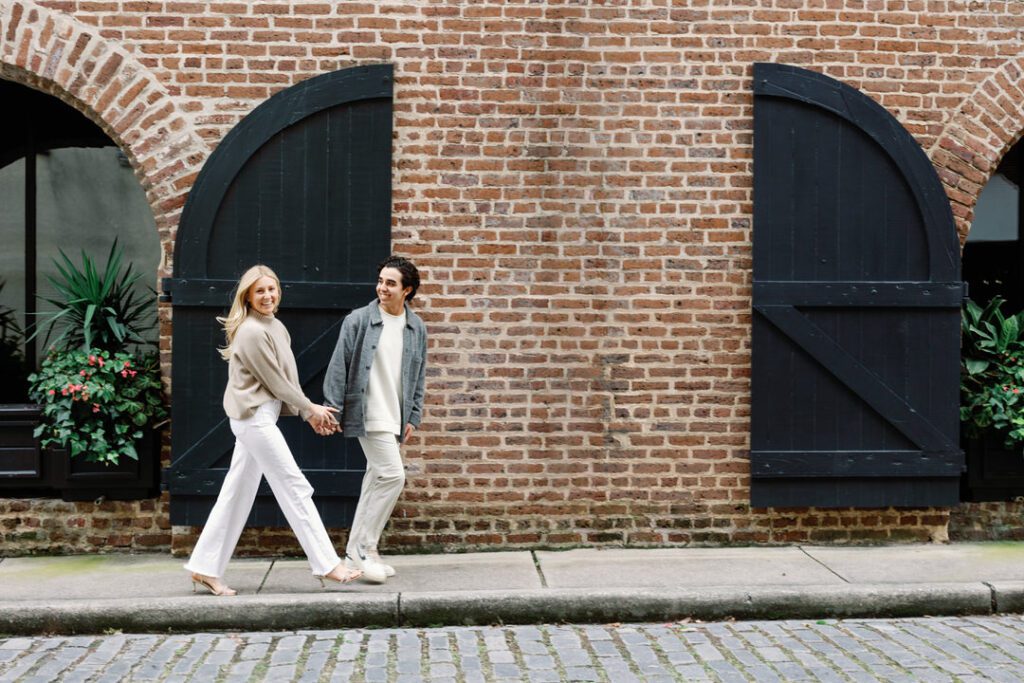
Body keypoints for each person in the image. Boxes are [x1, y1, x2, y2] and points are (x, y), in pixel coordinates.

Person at [184, 264, 361, 595]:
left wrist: (306, 413)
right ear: (248, 297)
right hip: (254, 419)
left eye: (272, 289)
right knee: (293, 485)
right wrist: (310, 409)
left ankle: (204, 568)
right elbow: (275, 382)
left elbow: (285, 381)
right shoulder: (252, 331)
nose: (268, 296)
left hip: (261, 416)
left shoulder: (275, 326)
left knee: (236, 494)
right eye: (260, 291)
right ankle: (327, 564)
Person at [323, 255, 427, 584]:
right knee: (393, 476)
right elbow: (339, 365)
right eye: (381, 280)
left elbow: (419, 373)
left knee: (375, 479)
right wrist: (332, 406)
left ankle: (359, 550)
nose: (382, 287)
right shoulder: (358, 320)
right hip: (367, 412)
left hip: (395, 414)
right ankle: (364, 548)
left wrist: (413, 414)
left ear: (407, 290)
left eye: (391, 283)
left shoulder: (415, 327)